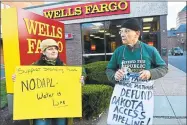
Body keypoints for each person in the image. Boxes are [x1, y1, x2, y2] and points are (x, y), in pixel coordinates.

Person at [12, 39, 85, 125]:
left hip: (61, 108)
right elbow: (25, 86)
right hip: (41, 109)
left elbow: (72, 88)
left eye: (55, 48)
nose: (54, 51)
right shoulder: (33, 68)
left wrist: (80, 81)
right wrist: (17, 78)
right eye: (50, 49)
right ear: (43, 52)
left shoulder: (66, 68)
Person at [106, 18, 168, 83]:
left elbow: (163, 68)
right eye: (121, 31)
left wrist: (150, 73)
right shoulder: (118, 51)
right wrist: (114, 76)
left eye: (127, 31)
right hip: (124, 91)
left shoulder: (150, 50)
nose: (122, 34)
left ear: (137, 33)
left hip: (143, 90)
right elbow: (109, 69)